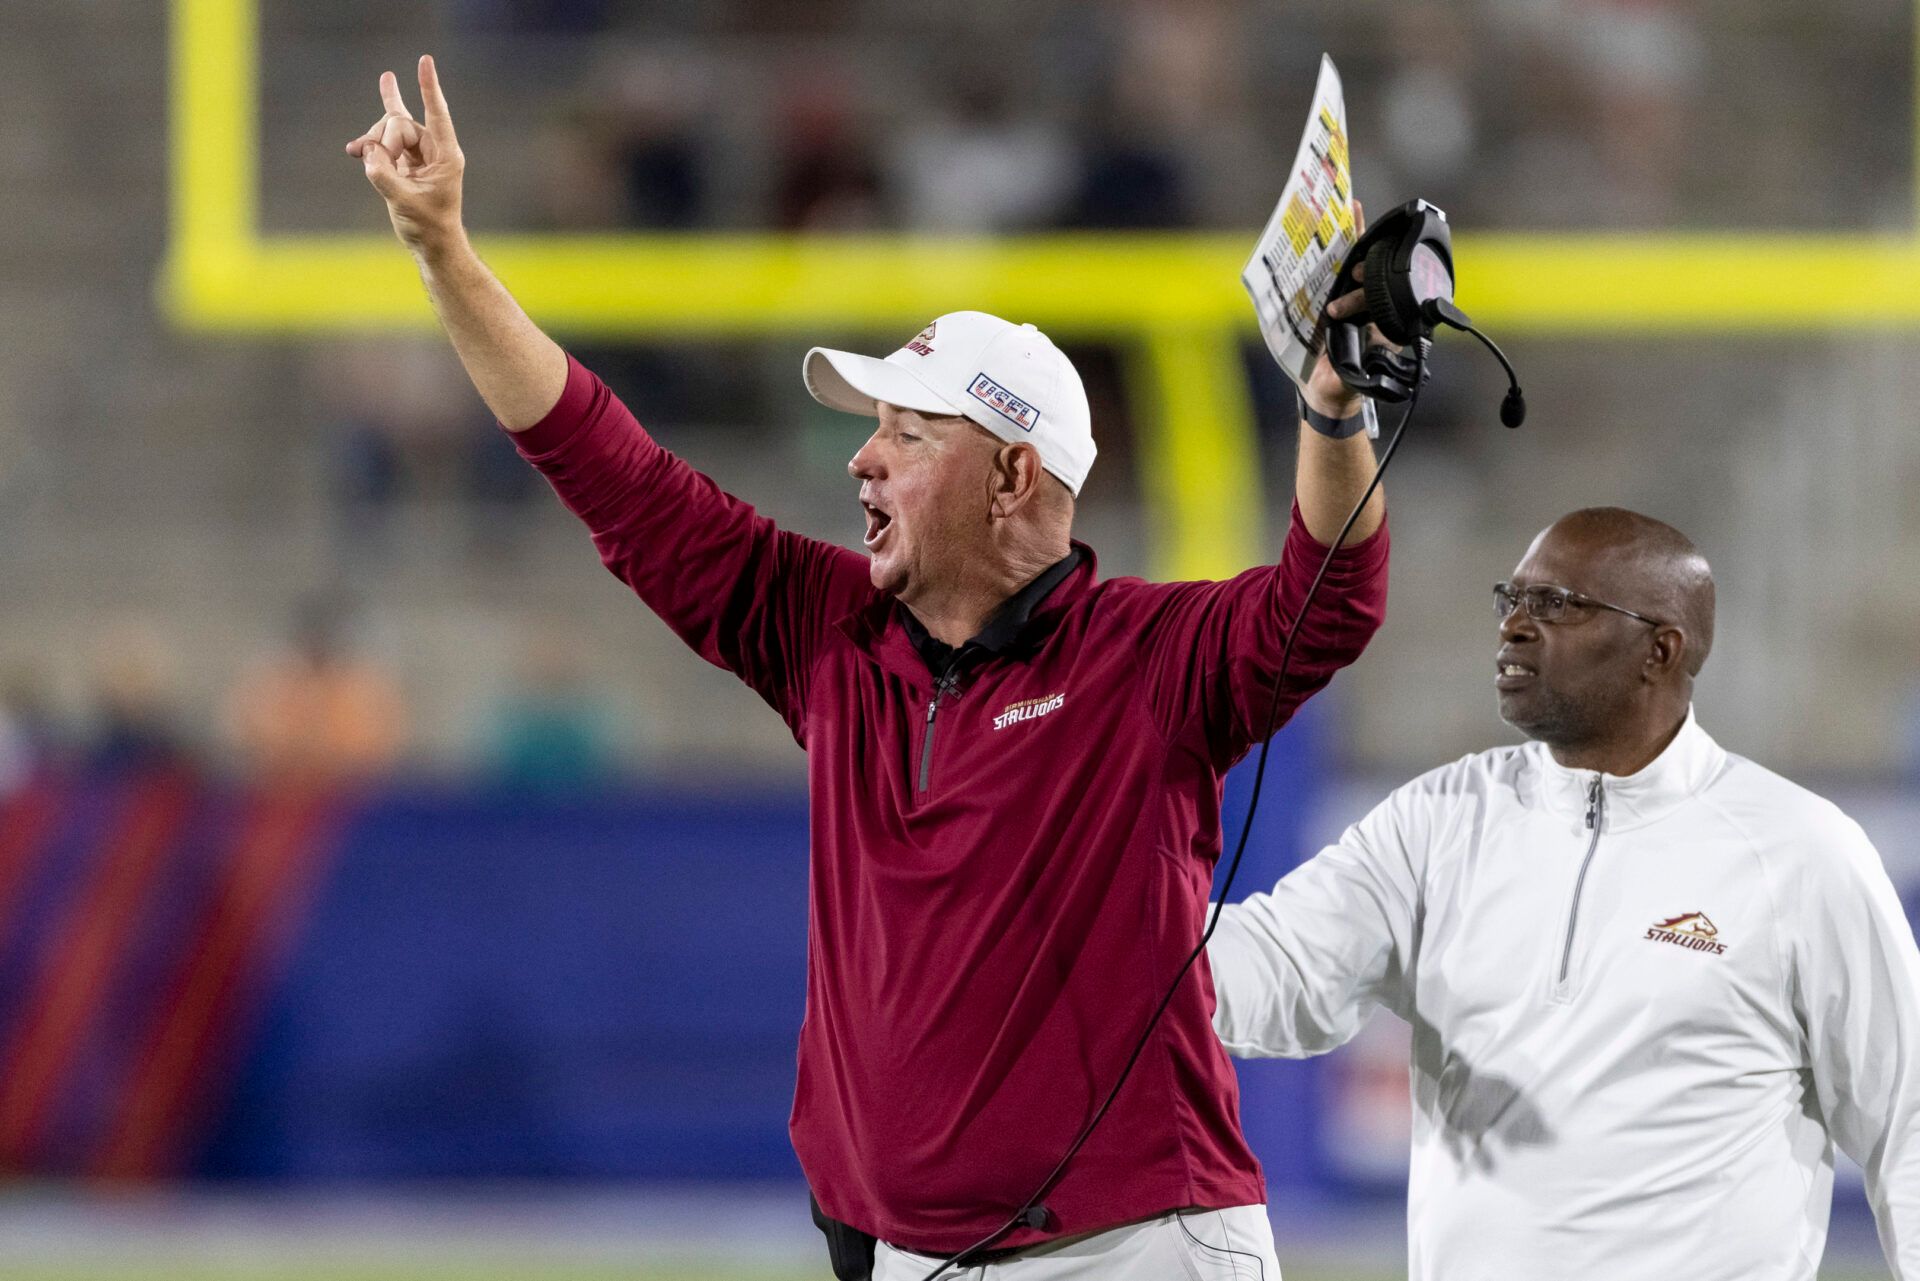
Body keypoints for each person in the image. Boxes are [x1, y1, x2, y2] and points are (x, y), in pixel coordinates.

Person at [346, 58, 1392, 1278]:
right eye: (871, 427)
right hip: (906, 1254)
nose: (864, 461)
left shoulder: (1143, 656)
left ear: (1013, 478)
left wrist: (1331, 407)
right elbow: (608, 467)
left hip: (1134, 1249)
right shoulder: (828, 631)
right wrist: (445, 256)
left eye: (907, 431)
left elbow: (1329, 601)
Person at [1208, 508, 1920, 1281]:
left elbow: (1906, 1118)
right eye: (1511, 599)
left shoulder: (1800, 850)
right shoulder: (1439, 819)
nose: (1514, 625)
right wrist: (1108, 934)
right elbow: (1274, 973)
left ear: (1661, 648)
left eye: (1557, 604)